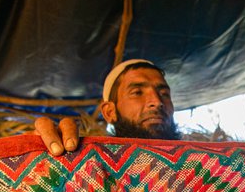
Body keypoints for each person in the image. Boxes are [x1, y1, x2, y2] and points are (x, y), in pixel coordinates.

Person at [36, 59, 180, 153]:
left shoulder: (201, 165)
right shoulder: (91, 168)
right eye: (137, 92)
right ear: (110, 112)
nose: (157, 101)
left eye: (164, 94)